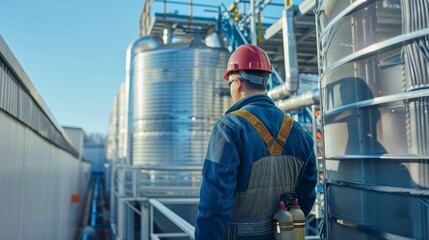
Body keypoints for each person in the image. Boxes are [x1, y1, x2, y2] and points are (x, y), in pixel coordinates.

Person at [195, 44, 317, 240]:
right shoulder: (299, 132)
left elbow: (215, 202)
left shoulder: (229, 128)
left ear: (237, 82)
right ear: (265, 81)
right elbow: (307, 193)